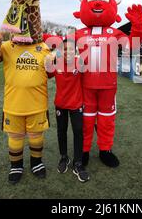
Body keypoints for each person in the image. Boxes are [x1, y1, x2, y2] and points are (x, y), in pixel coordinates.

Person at [48, 39, 90, 183]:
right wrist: (54, 54)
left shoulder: (80, 62)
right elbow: (46, 71)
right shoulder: (57, 63)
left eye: (71, 49)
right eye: (65, 49)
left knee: (78, 132)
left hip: (76, 104)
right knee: (61, 131)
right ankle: (64, 157)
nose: (68, 52)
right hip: (60, 104)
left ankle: (78, 163)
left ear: (75, 50)